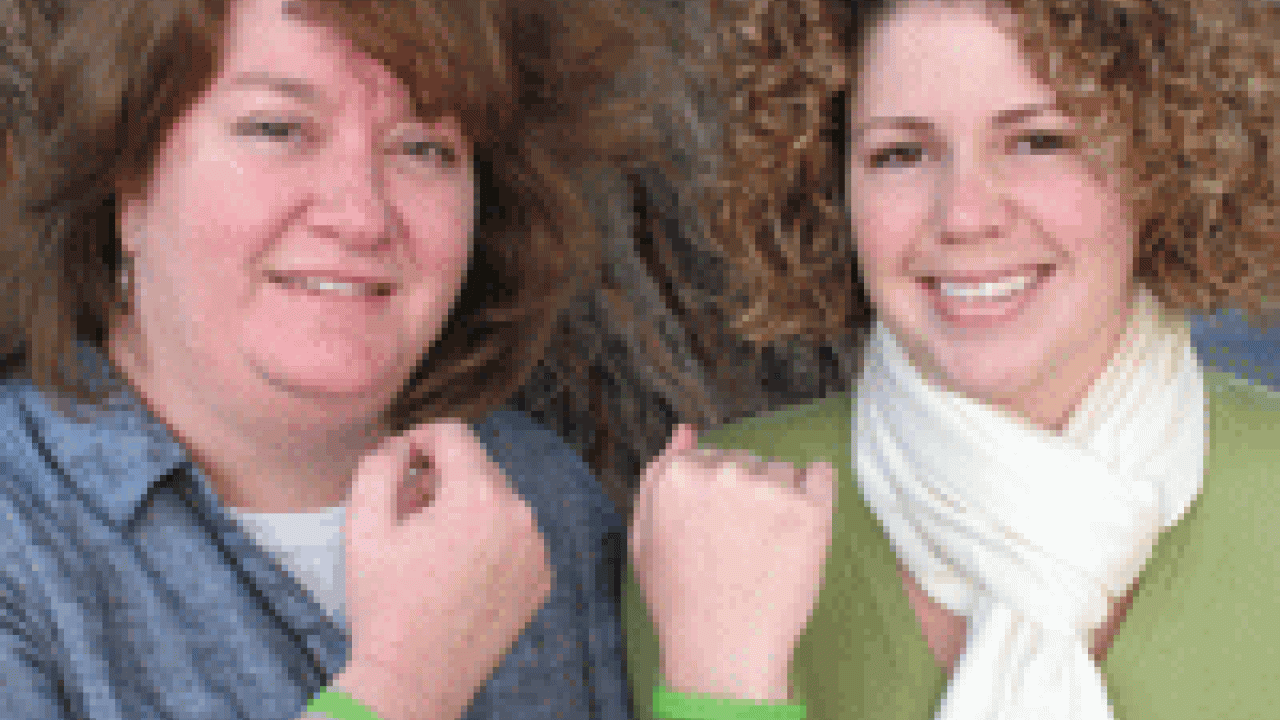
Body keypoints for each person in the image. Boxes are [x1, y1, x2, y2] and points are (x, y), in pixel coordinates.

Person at [0, 0, 660, 718]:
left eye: (423, 149)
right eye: (278, 130)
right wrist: (406, 684)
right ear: (127, 184)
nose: (362, 214)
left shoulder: (538, 494)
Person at [625, 0, 1280, 718]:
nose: (965, 214)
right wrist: (722, 682)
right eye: (900, 154)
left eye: (1039, 141)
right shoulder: (707, 526)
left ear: (1165, 157)